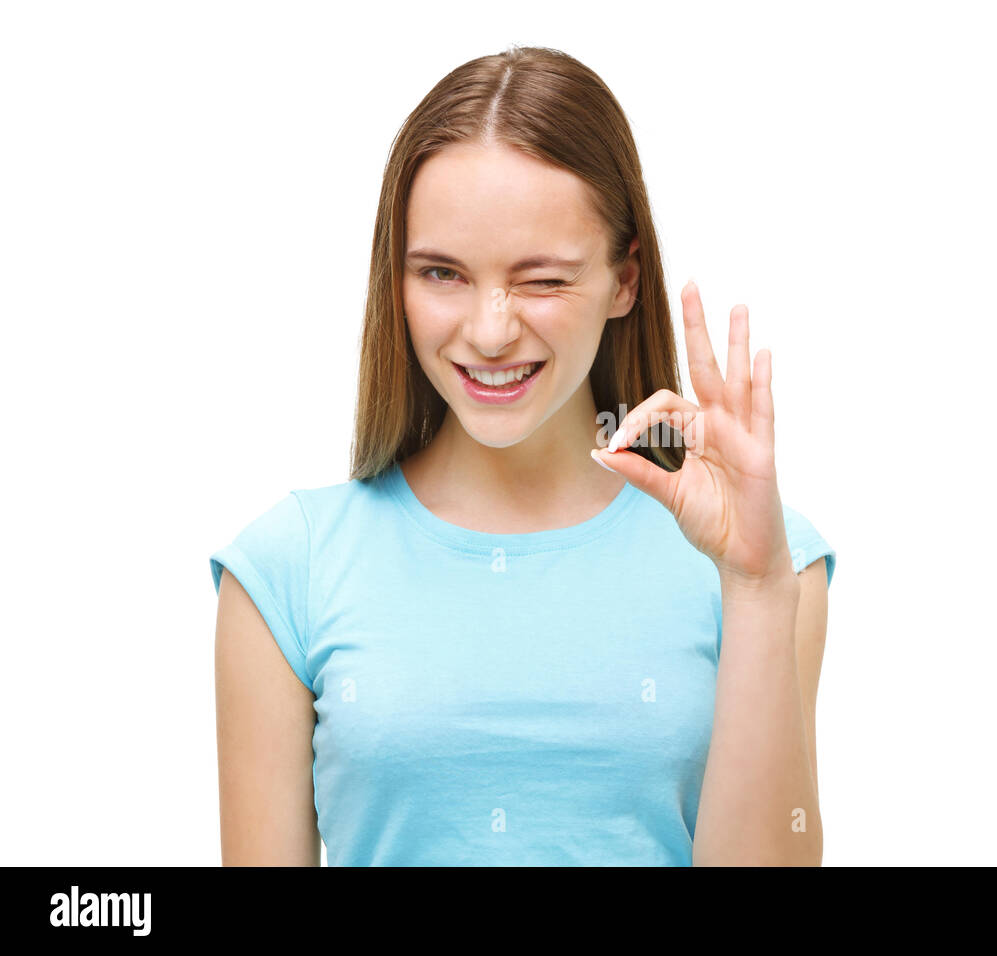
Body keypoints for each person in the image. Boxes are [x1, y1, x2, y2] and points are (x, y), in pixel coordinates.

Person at [210, 45, 836, 866]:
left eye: (541, 280)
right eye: (443, 273)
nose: (491, 329)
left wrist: (755, 589)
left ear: (624, 281)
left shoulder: (763, 559)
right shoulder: (286, 570)